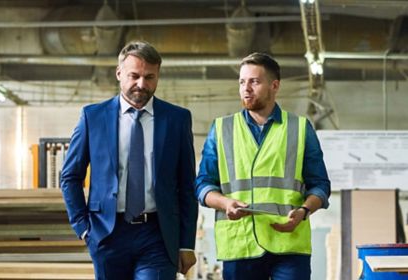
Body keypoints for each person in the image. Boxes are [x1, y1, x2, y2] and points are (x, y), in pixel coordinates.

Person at [60, 41, 198, 280]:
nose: (141, 84)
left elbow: (187, 185)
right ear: (119, 73)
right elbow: (70, 177)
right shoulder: (93, 117)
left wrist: (186, 243)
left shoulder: (177, 119)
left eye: (149, 77)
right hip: (107, 234)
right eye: (134, 76)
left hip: (158, 234)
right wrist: (83, 228)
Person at [195, 52, 331, 280]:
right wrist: (226, 203)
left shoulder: (299, 128)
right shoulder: (221, 129)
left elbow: (320, 186)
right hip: (240, 242)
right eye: (242, 82)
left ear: (274, 85)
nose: (246, 88)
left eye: (254, 81)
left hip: (289, 242)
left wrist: (304, 211)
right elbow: (202, 185)